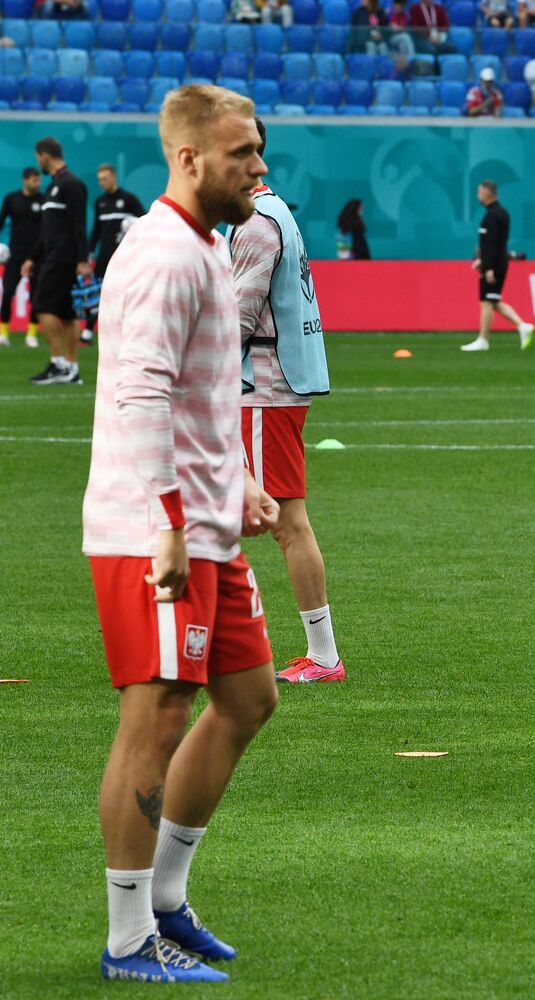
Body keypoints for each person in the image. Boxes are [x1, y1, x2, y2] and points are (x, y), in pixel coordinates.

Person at [86, 83, 278, 984]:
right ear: (190, 158)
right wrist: (168, 519)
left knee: (247, 700)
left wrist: (236, 481)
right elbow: (140, 392)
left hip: (205, 522)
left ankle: (167, 901)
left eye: (258, 149)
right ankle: (129, 941)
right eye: (242, 151)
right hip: (153, 529)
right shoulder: (163, 252)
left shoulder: (208, 246)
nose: (258, 165)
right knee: (157, 713)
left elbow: (201, 395)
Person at [230, 119, 347, 685]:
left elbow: (238, 319)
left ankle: (323, 656)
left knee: (286, 522)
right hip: (277, 382)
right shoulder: (273, 211)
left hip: (262, 385)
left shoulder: (254, 222)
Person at [23, 136, 90, 386]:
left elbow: (79, 223)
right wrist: (32, 257)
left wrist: (82, 259)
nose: (38, 162)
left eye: (38, 157)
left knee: (42, 305)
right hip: (53, 255)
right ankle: (72, 369)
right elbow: (47, 230)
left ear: (45, 156)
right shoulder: (54, 185)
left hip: (64, 256)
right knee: (67, 311)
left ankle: (58, 363)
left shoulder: (71, 184)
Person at [461, 179, 535, 352]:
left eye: (479, 191)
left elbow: (493, 245)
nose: (477, 195)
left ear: (488, 193)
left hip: (494, 265)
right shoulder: (497, 213)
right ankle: (523, 326)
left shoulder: (493, 215)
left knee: (486, 302)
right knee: (493, 301)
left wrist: (488, 268)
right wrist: (482, 261)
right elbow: (490, 244)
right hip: (496, 262)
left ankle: (483, 340)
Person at [83, 164, 146, 344]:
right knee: (97, 294)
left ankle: (126, 331)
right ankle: (88, 330)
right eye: (99, 179)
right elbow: (96, 230)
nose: (102, 182)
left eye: (105, 178)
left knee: (124, 295)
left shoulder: (128, 199)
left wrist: (131, 226)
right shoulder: (100, 202)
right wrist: (89, 253)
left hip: (125, 258)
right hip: (103, 257)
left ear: (114, 177)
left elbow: (144, 221)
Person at [0, 167, 43, 349]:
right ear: (25, 180)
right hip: (15, 255)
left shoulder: (43, 201)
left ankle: (31, 334)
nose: (37, 184)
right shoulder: (12, 199)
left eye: (38, 180)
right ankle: (3, 335)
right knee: (7, 293)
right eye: (34, 180)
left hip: (37, 256)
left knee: (36, 297)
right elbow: (1, 220)